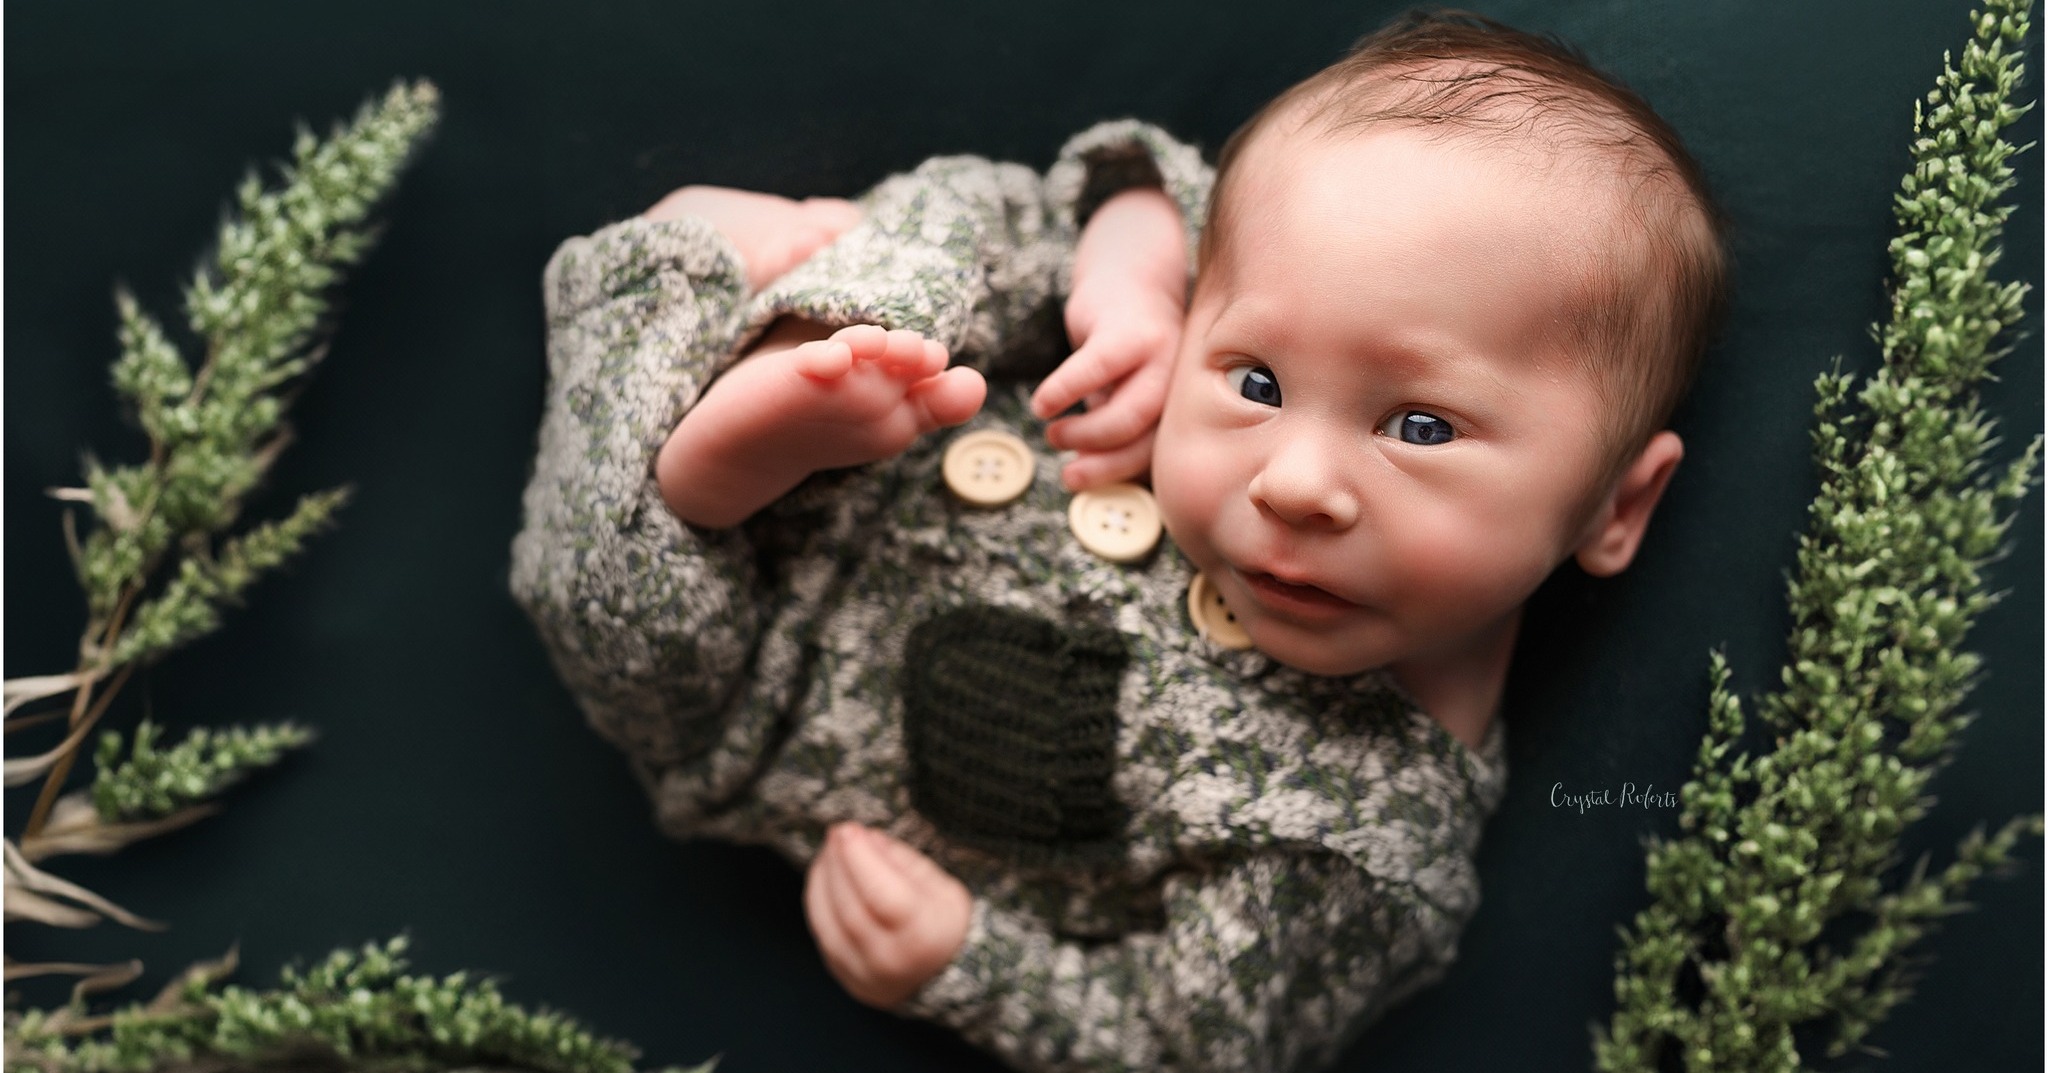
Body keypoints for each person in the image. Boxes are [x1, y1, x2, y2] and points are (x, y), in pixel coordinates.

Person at [509, 9, 1727, 1071]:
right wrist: (1134, 268)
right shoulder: (1204, 317)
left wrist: (962, 960)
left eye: (1418, 424)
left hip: (754, 697)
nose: (1293, 482)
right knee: (982, 242)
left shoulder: (1355, 845)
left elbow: (1190, 1044)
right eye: (1255, 382)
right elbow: (1139, 196)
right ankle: (819, 328)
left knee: (606, 595)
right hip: (934, 419)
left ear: (1614, 506)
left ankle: (709, 450)